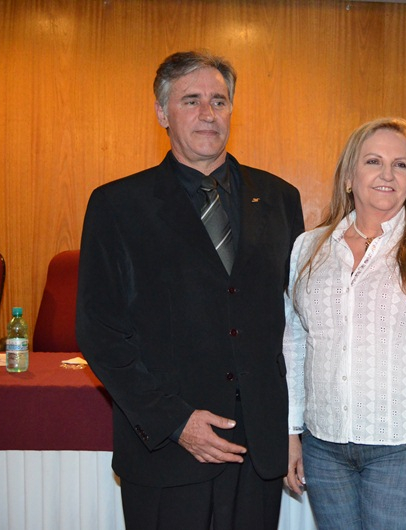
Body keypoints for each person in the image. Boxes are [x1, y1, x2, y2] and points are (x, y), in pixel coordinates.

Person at [76, 50, 304, 530]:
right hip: (167, 454)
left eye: (219, 101)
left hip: (258, 453)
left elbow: (293, 325)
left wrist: (292, 427)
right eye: (191, 100)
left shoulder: (280, 198)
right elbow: (100, 333)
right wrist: (175, 422)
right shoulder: (117, 205)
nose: (208, 113)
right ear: (162, 113)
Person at [283, 117, 406, 530]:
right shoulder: (308, 248)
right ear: (349, 177)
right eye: (373, 161)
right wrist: (290, 431)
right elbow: (295, 343)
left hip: (405, 450)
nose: (387, 174)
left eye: (401, 165)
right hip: (324, 448)